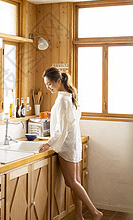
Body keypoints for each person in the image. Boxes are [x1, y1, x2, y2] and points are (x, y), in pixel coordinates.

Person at [38, 67, 103, 220]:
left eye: (49, 84)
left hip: (66, 144)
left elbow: (61, 129)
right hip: (73, 142)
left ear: (58, 81)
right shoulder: (69, 96)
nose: (48, 87)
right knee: (76, 181)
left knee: (71, 182)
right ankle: (79, 216)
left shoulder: (62, 101)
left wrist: (49, 143)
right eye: (46, 84)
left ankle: (95, 212)